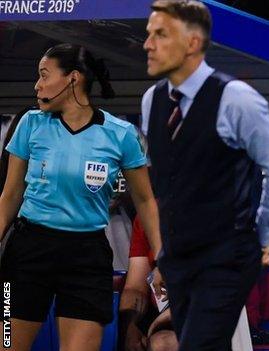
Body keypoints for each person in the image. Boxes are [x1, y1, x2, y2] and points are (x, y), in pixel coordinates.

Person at [141, 1, 269, 349]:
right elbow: (167, 184)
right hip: (178, 258)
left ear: (193, 43)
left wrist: (260, 235)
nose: (147, 44)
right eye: (149, 34)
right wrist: (165, 254)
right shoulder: (152, 100)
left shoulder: (236, 99)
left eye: (160, 35)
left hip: (225, 255)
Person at [0, 43, 162, 351]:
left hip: (87, 257)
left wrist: (163, 255)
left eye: (44, 76)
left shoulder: (121, 134)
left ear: (73, 79)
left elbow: (145, 201)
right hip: (27, 253)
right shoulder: (30, 124)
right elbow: (9, 198)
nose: (37, 85)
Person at [119, 217, 177, 351]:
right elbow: (135, 287)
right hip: (159, 317)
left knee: (162, 344)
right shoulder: (146, 217)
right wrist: (129, 326)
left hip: (201, 311)